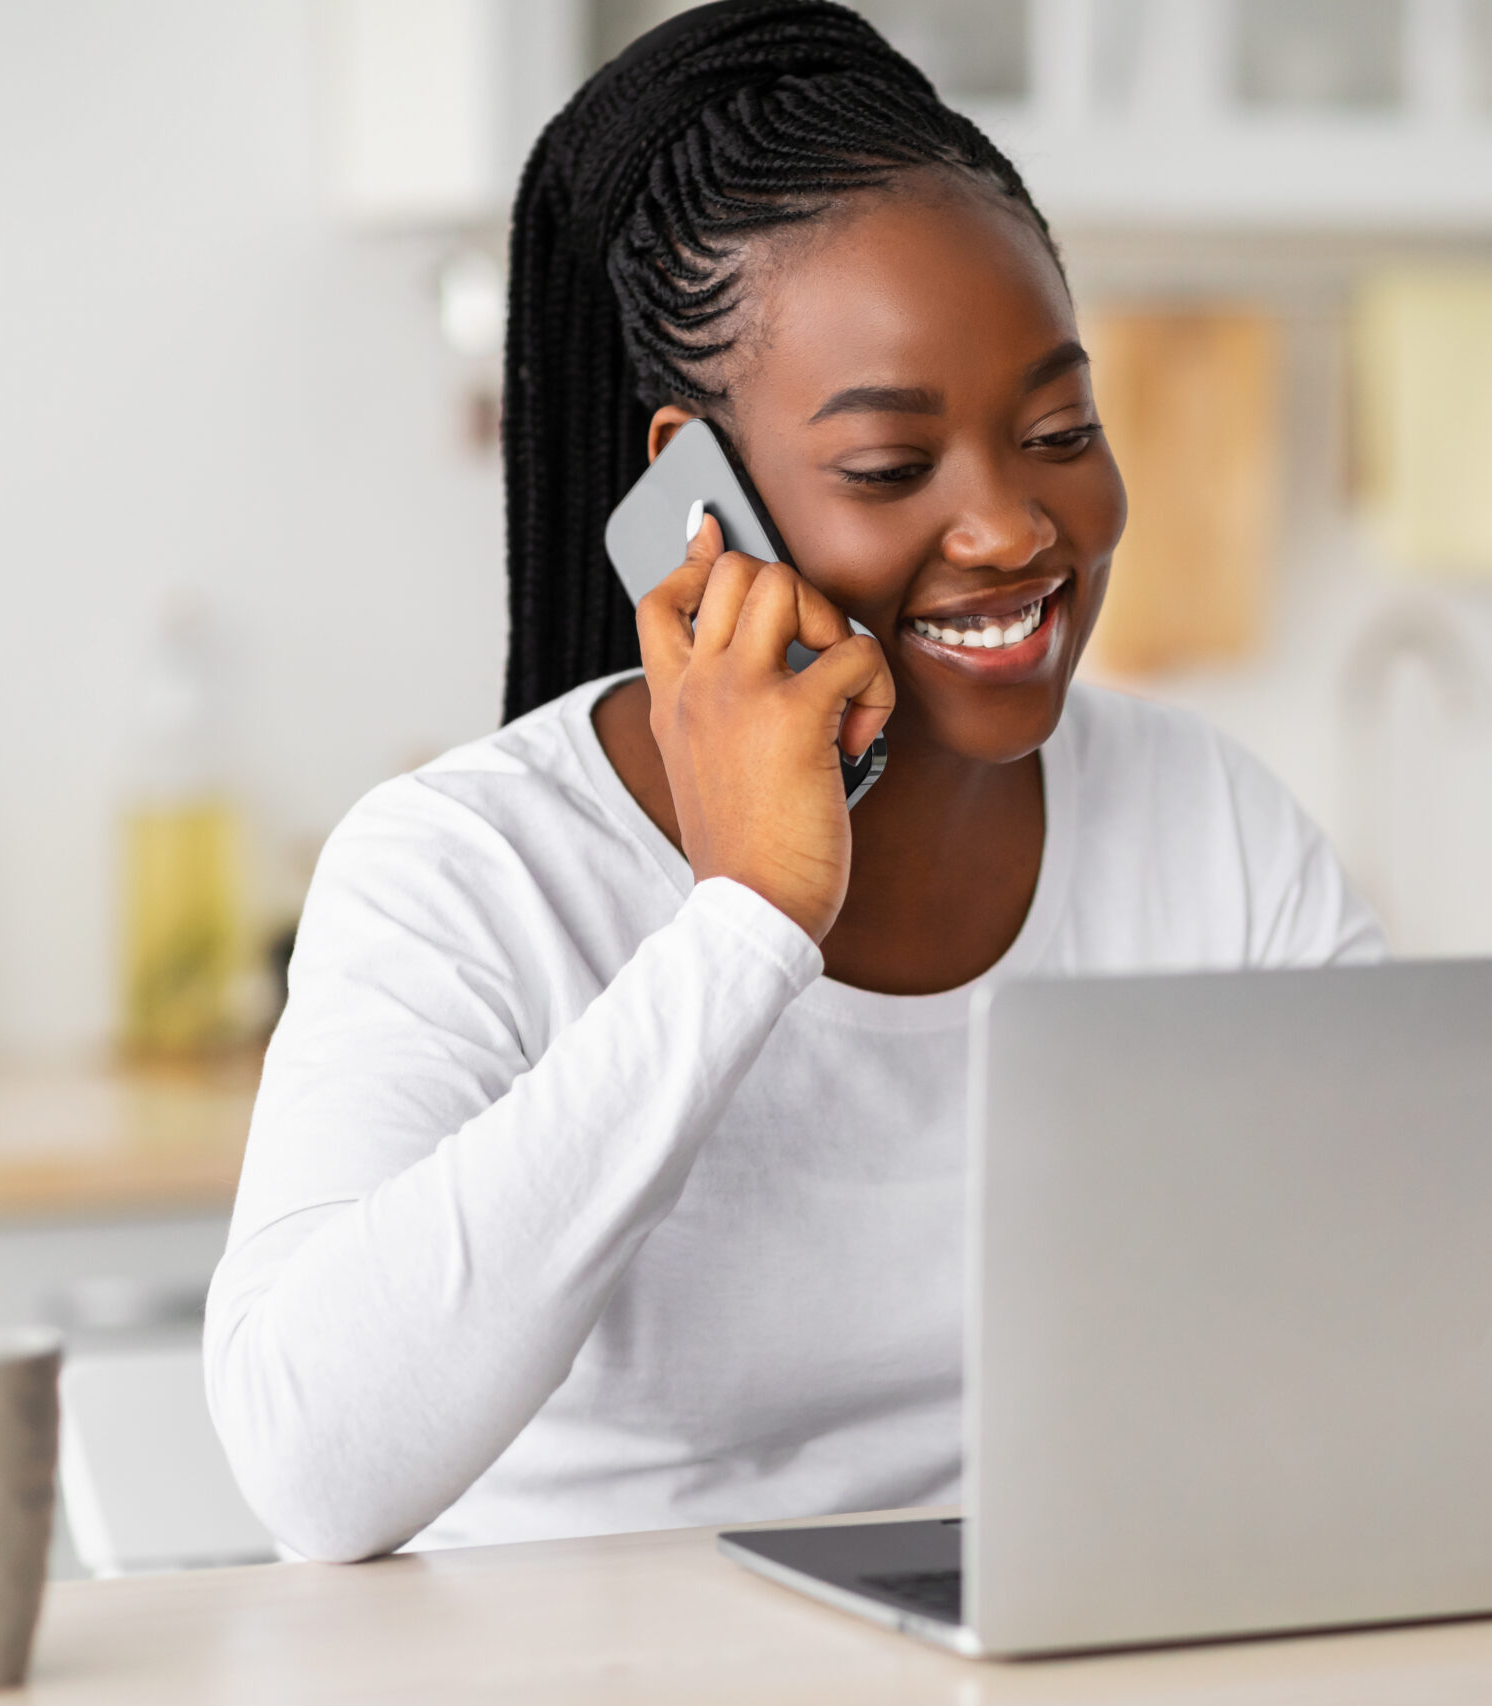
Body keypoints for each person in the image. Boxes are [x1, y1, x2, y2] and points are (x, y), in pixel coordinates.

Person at [204, 0, 1382, 1564]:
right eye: (894, 469)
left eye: (1060, 429)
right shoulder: (465, 867)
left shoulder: (1204, 822)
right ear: (701, 498)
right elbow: (311, 1471)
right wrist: (747, 916)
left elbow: (1403, 1289)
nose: (1014, 526)